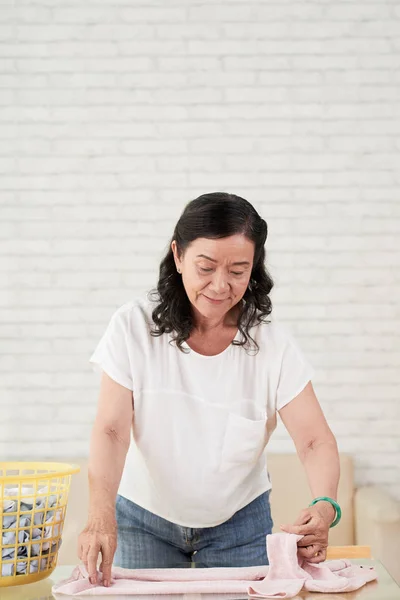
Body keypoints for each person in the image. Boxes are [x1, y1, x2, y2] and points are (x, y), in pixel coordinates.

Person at [78, 192, 340, 587]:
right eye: (206, 267)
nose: (220, 286)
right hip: (142, 517)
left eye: (238, 270)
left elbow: (315, 441)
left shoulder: (273, 345)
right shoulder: (132, 327)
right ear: (178, 257)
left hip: (240, 525)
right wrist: (100, 516)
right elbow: (112, 431)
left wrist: (324, 507)